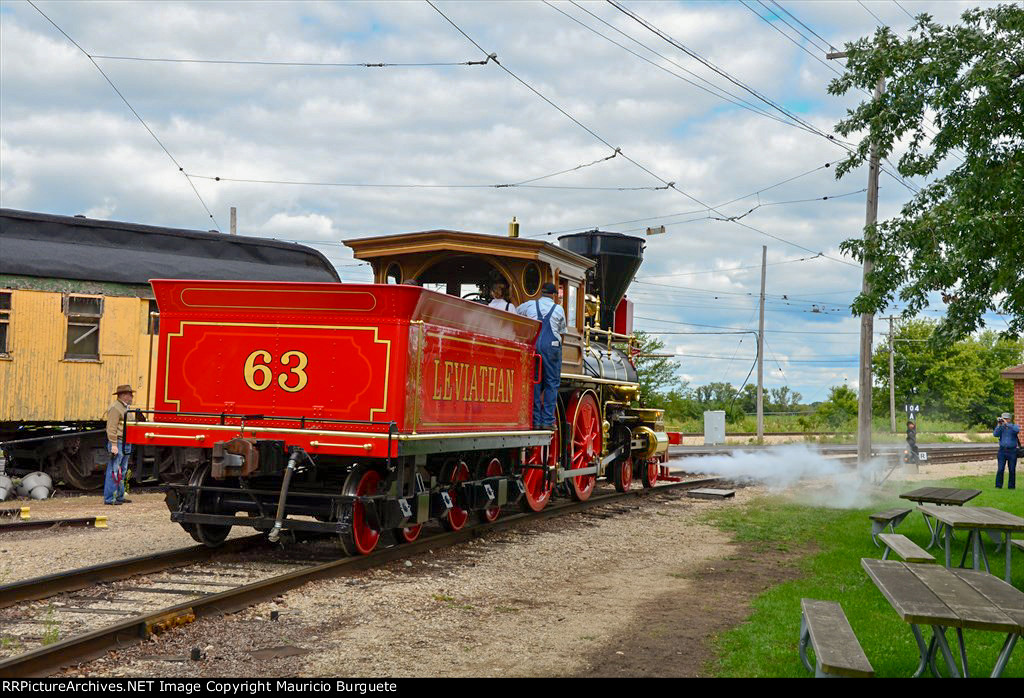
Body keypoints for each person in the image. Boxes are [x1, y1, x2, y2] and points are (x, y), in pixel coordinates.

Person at [517, 282, 565, 429]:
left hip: (535, 346)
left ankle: (535, 420)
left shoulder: (530, 305)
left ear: (541, 293)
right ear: (554, 295)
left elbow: (516, 311)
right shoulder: (558, 309)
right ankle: (548, 421)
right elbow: (562, 332)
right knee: (552, 384)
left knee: (535, 382)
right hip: (552, 348)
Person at [105, 385, 134, 505]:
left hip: (125, 442)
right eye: (130, 394)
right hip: (119, 441)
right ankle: (110, 498)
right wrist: (113, 445)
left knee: (121, 470)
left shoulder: (124, 408)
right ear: (123, 395)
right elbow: (111, 428)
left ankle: (119, 496)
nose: (132, 397)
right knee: (114, 470)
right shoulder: (115, 408)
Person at [993, 412, 1019, 489]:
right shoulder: (1001, 427)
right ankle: (998, 486)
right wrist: (999, 425)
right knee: (1000, 469)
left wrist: (1007, 424)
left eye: (1006, 418)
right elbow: (995, 434)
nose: (1004, 420)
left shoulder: (1013, 426)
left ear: (1009, 419)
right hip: (1002, 451)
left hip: (1012, 451)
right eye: (1003, 418)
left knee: (1012, 469)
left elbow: (1017, 430)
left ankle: (1011, 487)